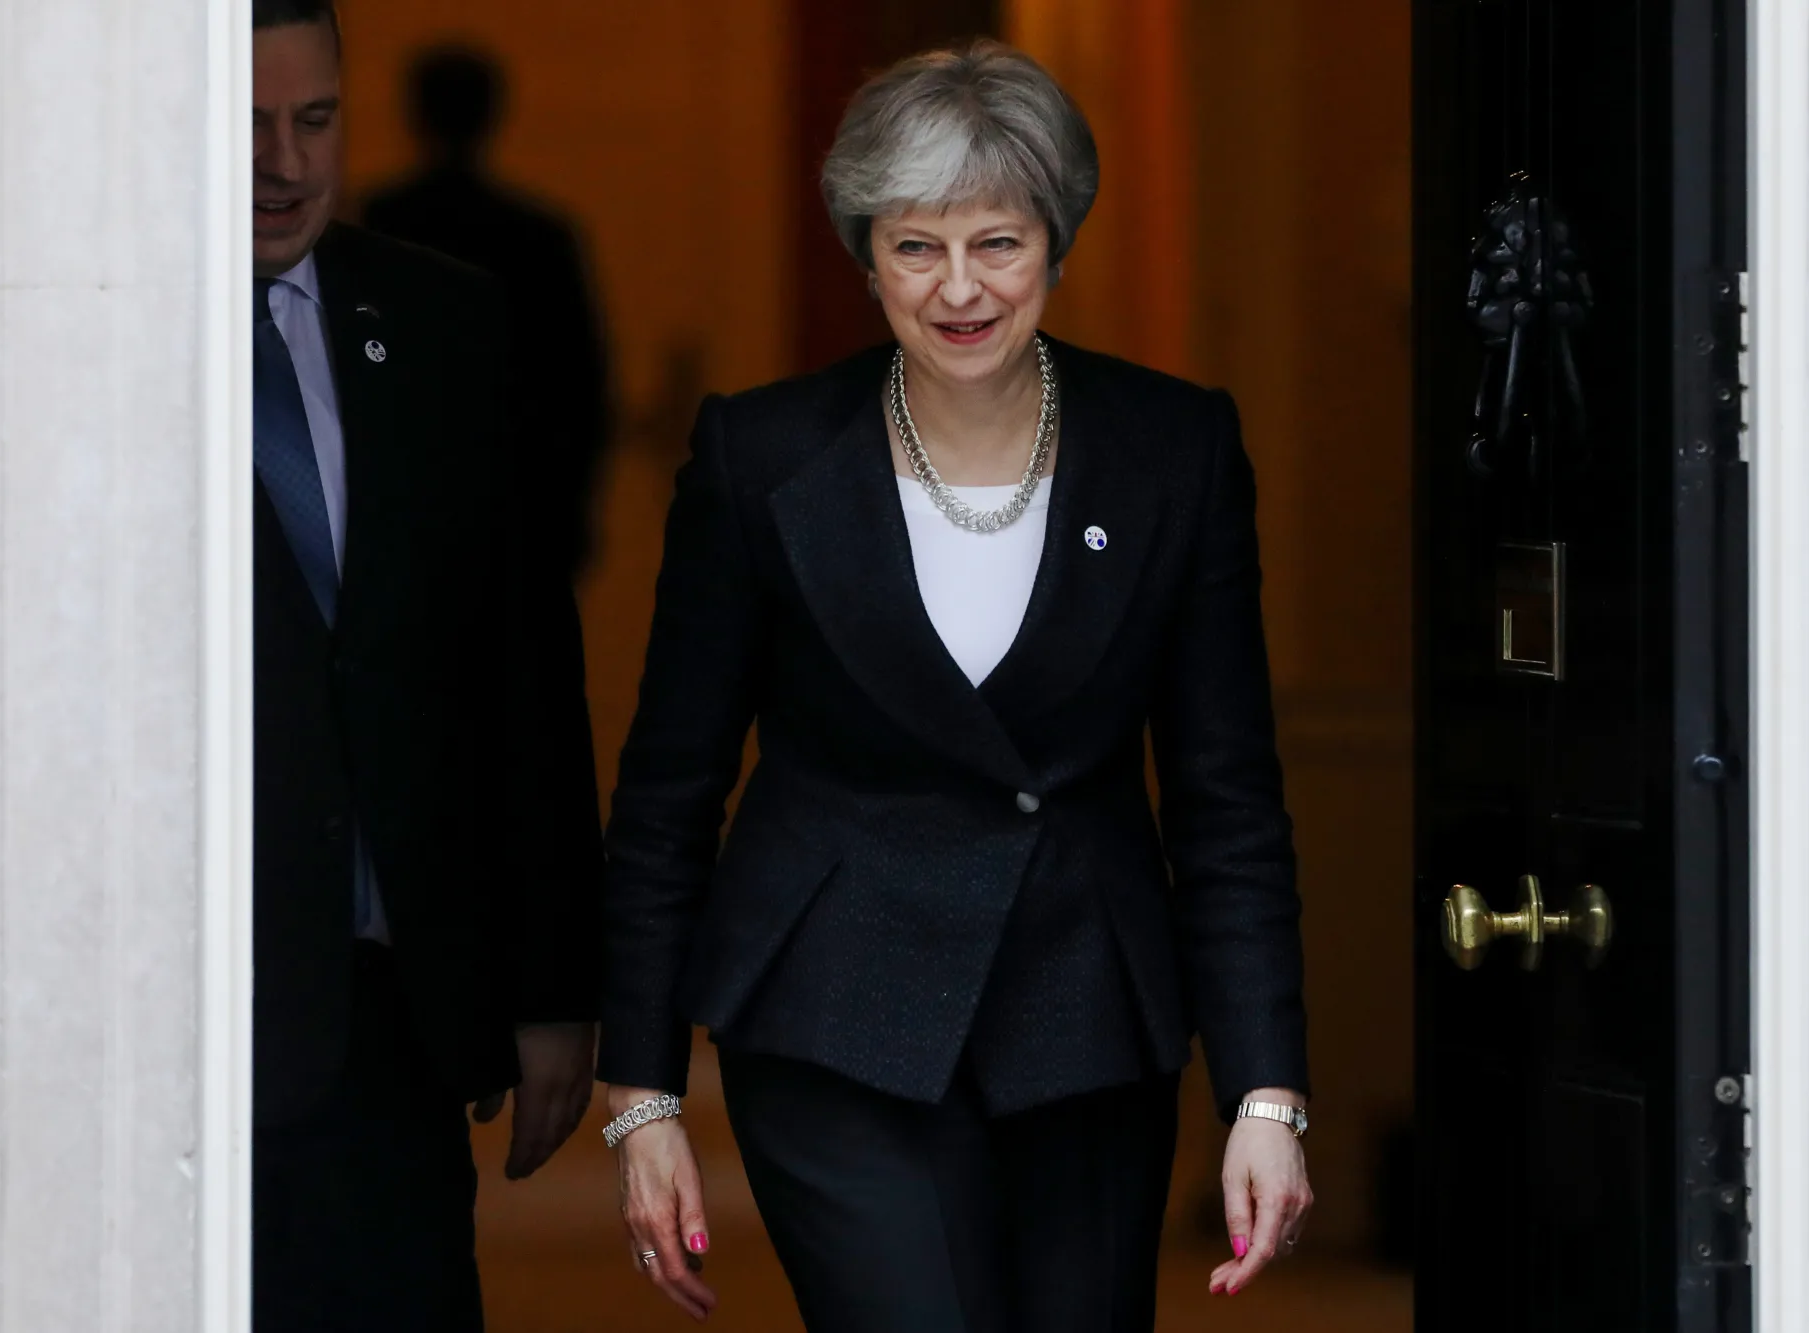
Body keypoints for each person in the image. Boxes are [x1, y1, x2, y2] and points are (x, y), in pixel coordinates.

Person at [600, 39, 1314, 1331]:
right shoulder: (758, 456)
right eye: (914, 246)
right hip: (833, 1017)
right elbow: (668, 789)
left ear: (1056, 236)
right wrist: (639, 1094)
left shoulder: (1173, 447)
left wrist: (1264, 1094)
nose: (957, 289)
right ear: (861, 252)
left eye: (996, 242)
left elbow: (1224, 796)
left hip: (1085, 1015)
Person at [251, 3, 604, 1328]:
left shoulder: (440, 315)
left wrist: (557, 979)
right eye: (247, 128)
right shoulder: (71, 332)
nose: (285, 162)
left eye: (315, 121)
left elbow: (519, 661)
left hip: (385, 1012)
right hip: (168, 1008)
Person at [364, 43, 613, 581]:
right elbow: (578, 385)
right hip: (521, 506)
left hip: (399, 504)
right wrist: (573, 508)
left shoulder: (375, 226)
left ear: (416, 114)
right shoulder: (539, 236)